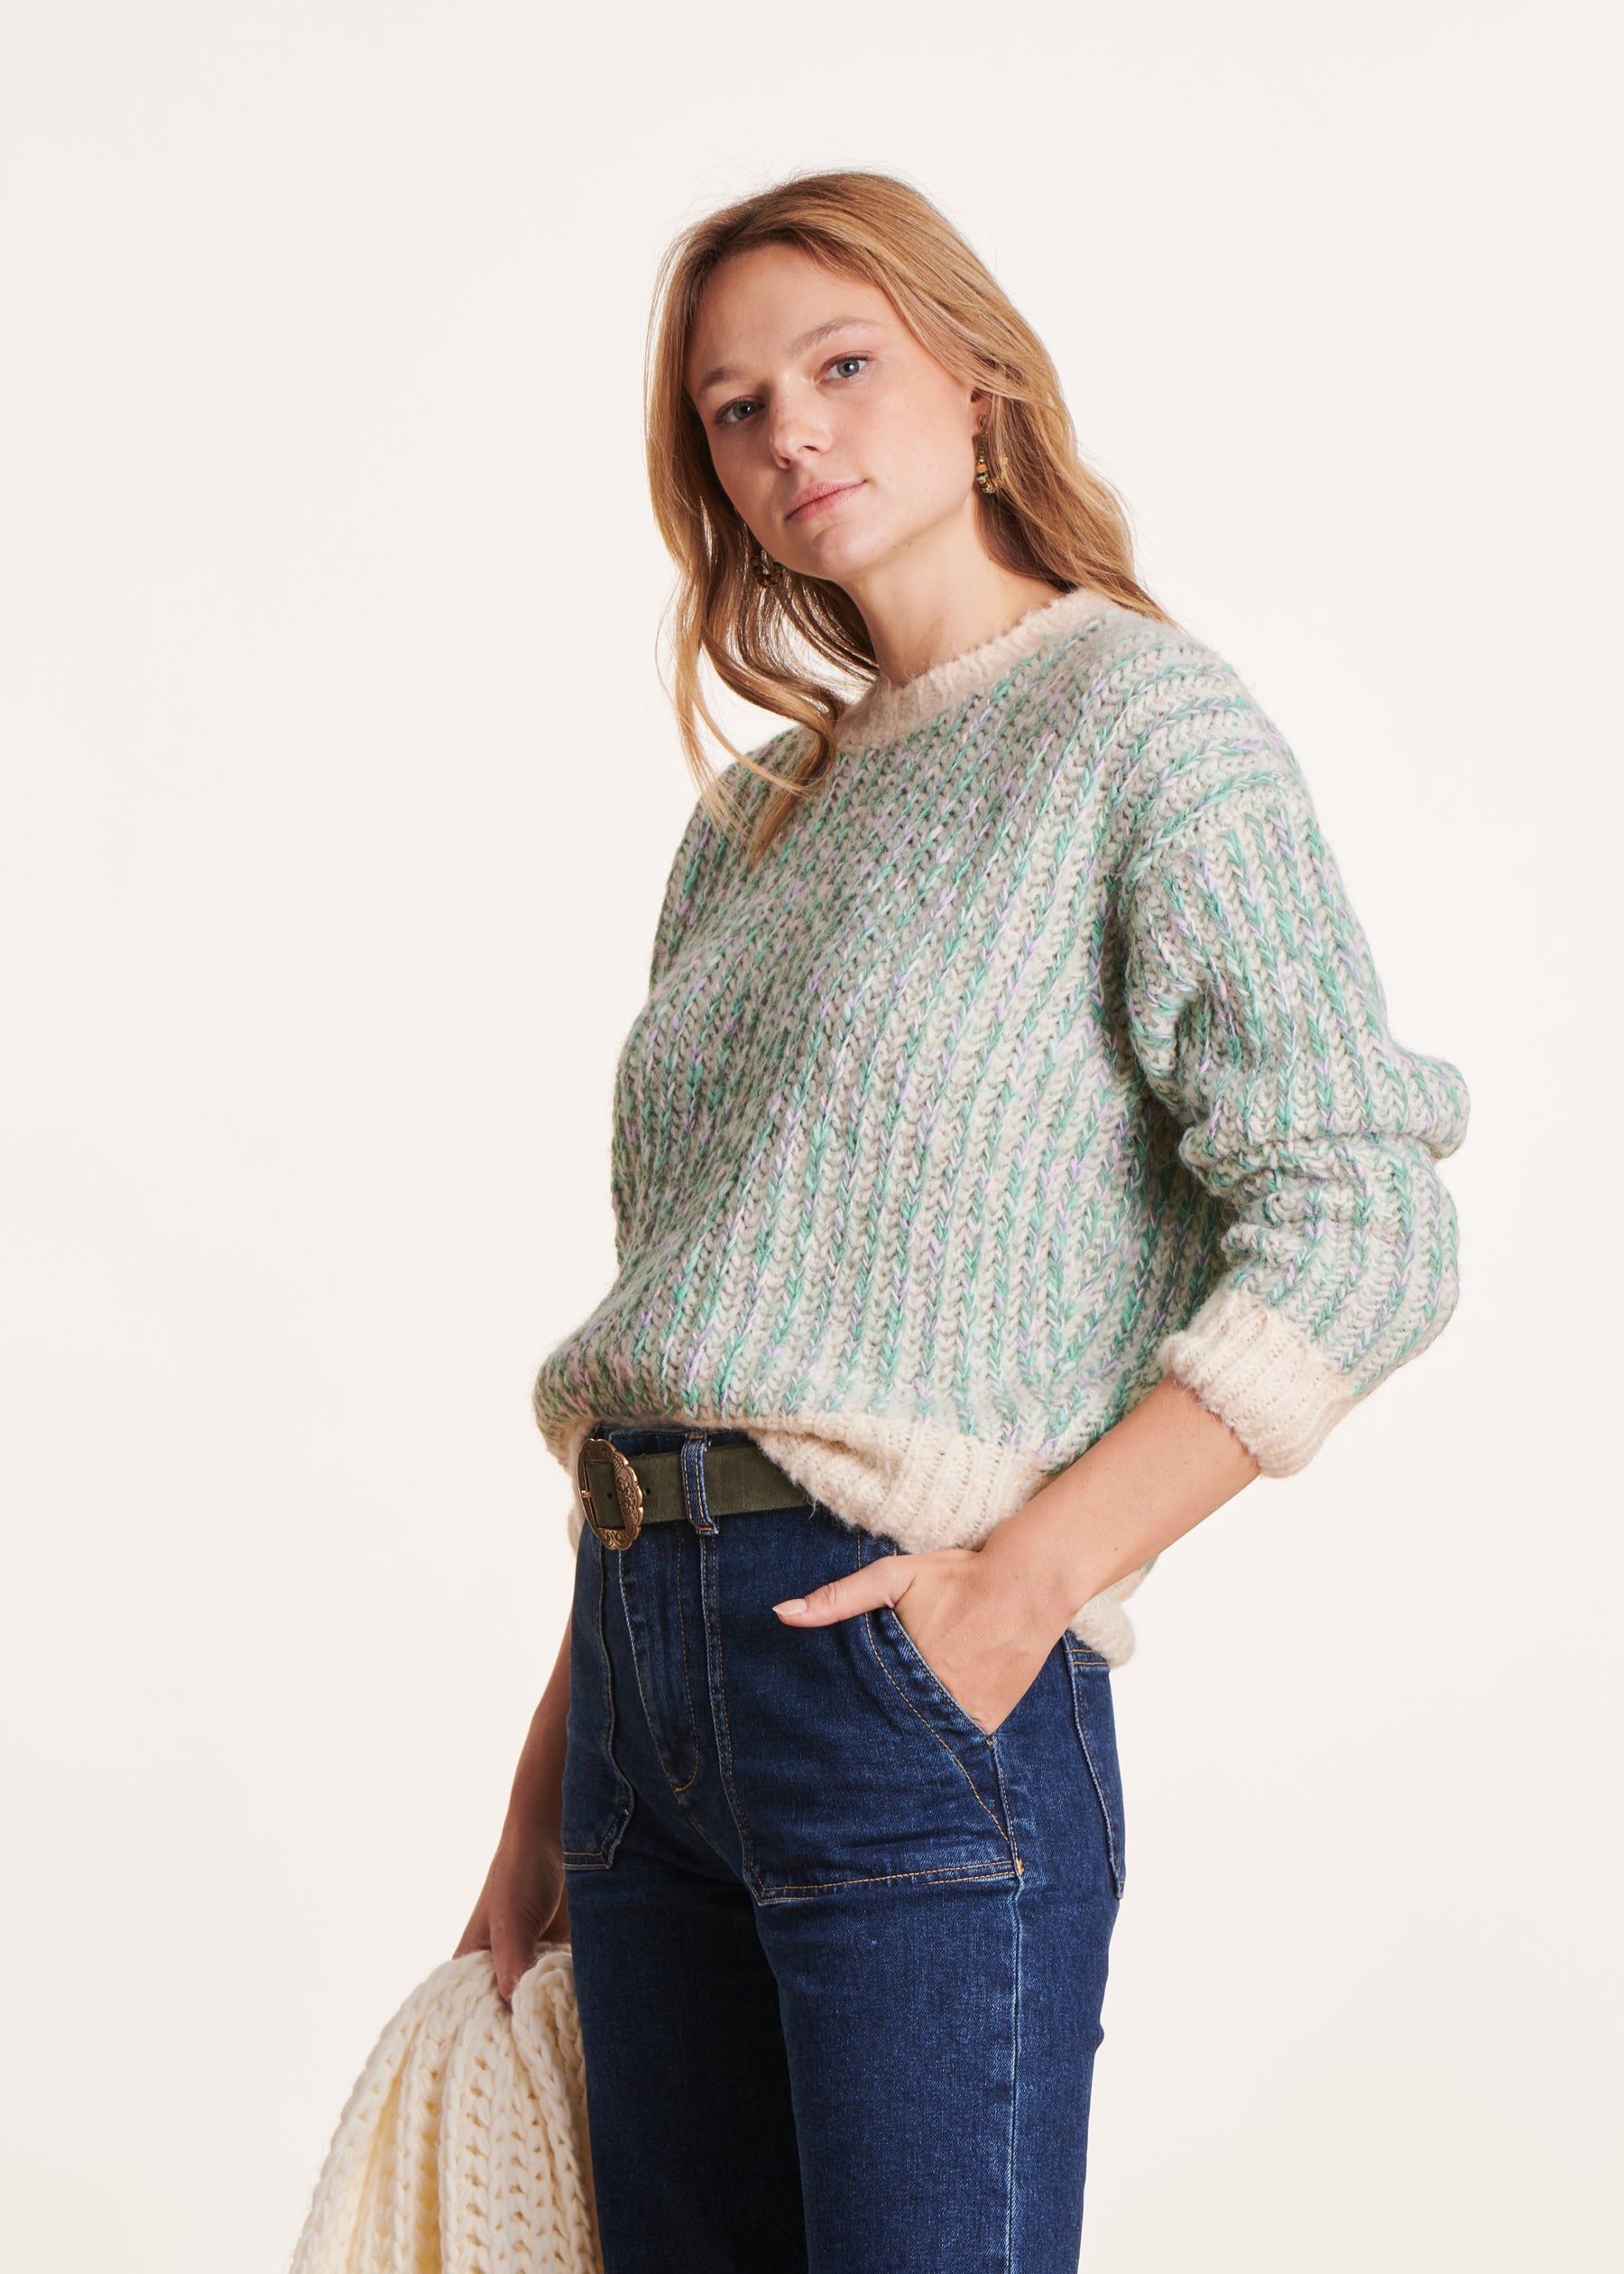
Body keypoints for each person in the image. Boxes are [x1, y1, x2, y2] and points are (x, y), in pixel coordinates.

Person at [455, 169, 1470, 2272]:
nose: (793, 436)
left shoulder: (1141, 723)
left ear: (980, 388)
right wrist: (553, 1785)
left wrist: (1023, 1590)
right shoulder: (753, 819)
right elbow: (702, 1315)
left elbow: (1360, 1222)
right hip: (641, 1686)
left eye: (842, 366)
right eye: (737, 410)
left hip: (897, 1678)